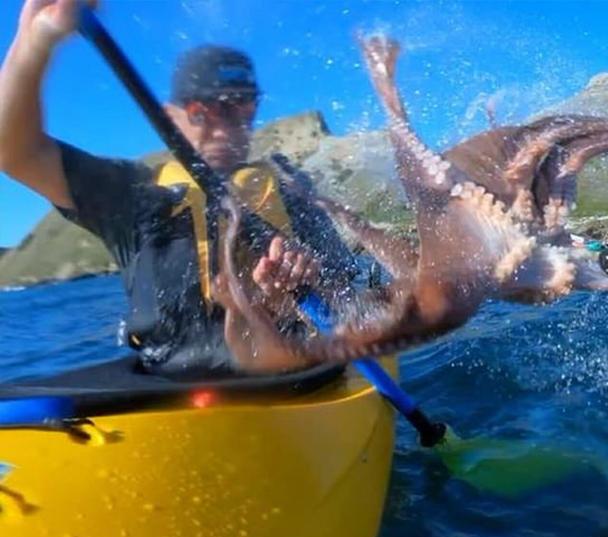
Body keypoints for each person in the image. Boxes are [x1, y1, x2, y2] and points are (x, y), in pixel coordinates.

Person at [0, 0, 356, 378]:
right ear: (172, 117)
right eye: (203, 111)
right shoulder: (132, 194)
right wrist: (34, 39)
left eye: (239, 107)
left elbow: (355, 302)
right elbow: (14, 151)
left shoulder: (292, 194)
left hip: (293, 378)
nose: (223, 125)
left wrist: (306, 289)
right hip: (168, 386)